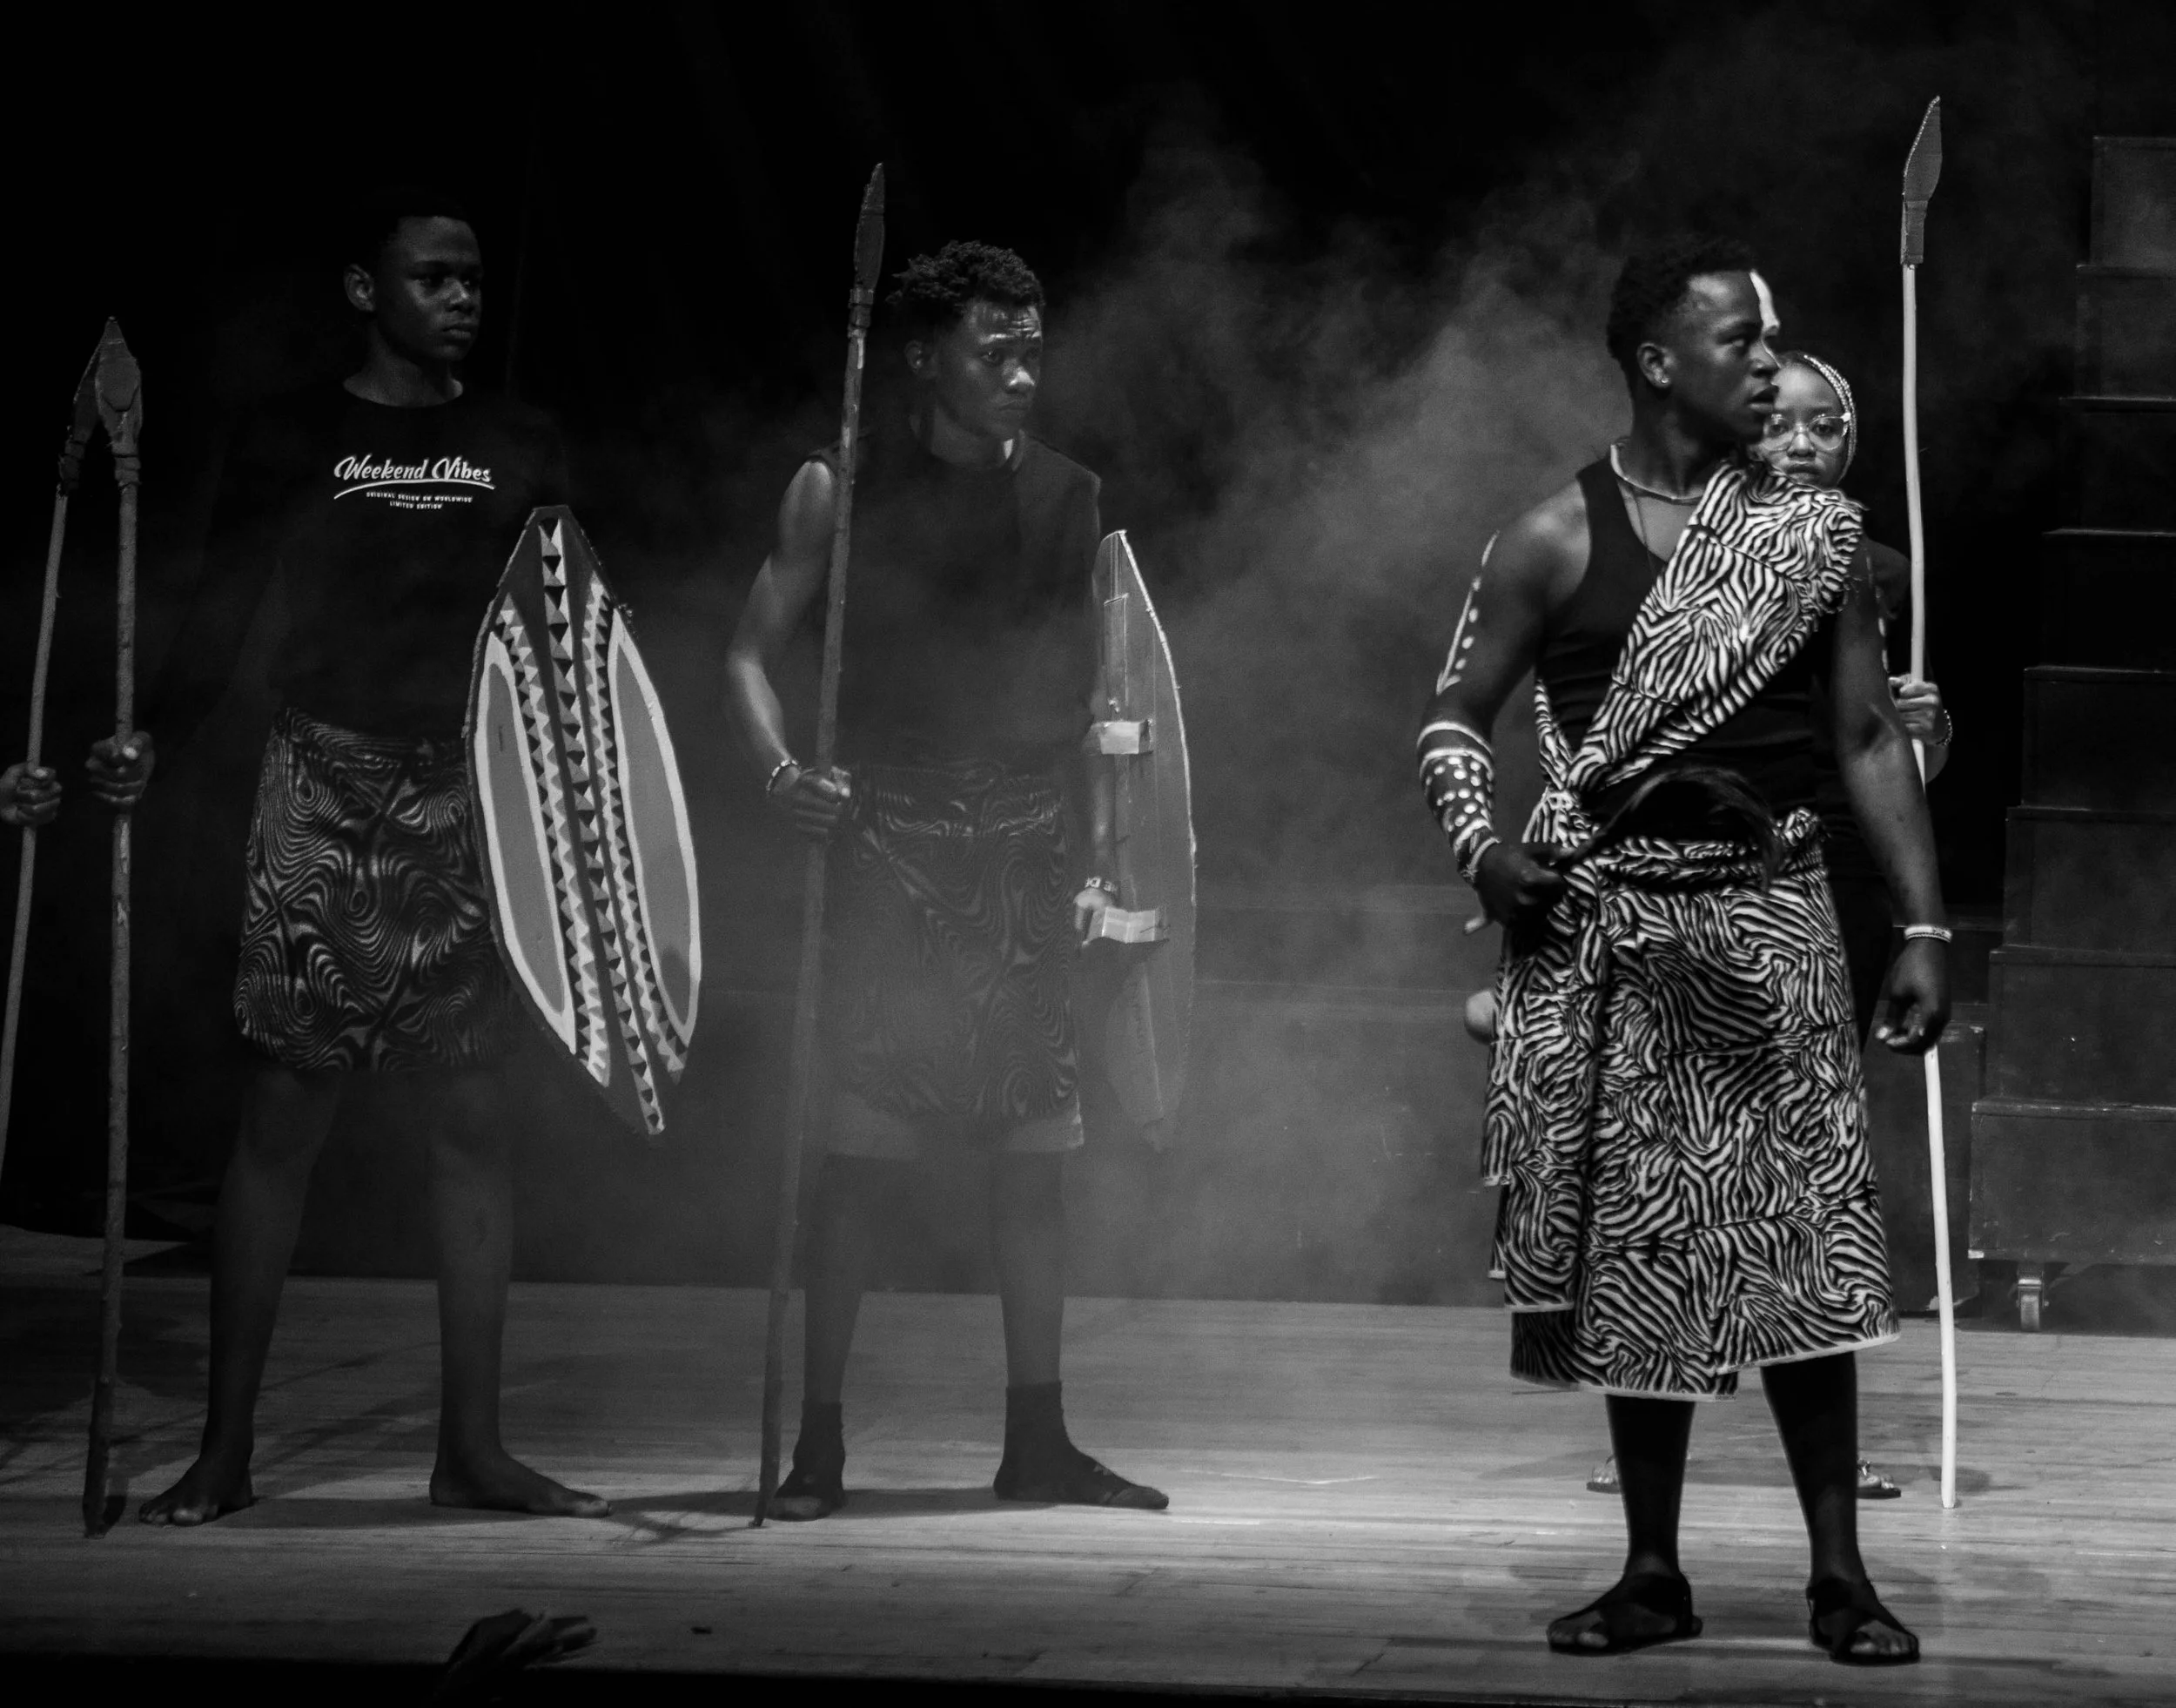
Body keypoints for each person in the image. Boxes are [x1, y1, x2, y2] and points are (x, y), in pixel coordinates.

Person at [1415, 235, 1947, 1664]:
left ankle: (1842, 1573)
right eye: (1741, 342)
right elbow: (1452, 717)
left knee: (1809, 1259)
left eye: (1772, 341)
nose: (1770, 363)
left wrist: (1926, 922)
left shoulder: (1815, 537)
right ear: (1660, 361)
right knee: (1636, 1262)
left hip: (1771, 921)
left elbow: (1864, 736)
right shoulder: (1552, 534)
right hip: (1616, 932)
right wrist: (1487, 851)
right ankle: (1653, 1570)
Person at [128, 187, 607, 1525]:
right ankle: (224, 1450)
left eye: (471, 278)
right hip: (323, 786)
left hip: (461, 795)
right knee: (285, 1113)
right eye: (433, 278)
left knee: (471, 1121)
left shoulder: (518, 441)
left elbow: (564, 635)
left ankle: (472, 1450)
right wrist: (145, 735)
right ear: (366, 291)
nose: (462, 298)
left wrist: (577, 809)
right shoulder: (296, 436)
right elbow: (219, 610)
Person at [723, 240, 1166, 1521]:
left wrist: (1100, 865)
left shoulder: (1074, 495)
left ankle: (1038, 1440)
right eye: (996, 352)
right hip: (892, 829)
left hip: (1024, 835)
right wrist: (780, 775)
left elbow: (1097, 707)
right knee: (857, 1154)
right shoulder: (840, 488)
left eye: (1035, 349)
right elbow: (749, 655)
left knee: (1035, 1155)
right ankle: (818, 1447)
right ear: (924, 357)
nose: (1025, 374)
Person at [1583, 348, 1955, 1503]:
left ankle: (1825, 1441)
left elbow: (1873, 747)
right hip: (1680, 876)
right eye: (1782, 425)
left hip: (1822, 870)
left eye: (1828, 428)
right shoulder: (1675, 550)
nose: (1803, 445)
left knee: (1799, 1166)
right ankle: (1655, 1403)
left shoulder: (1871, 563)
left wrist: (1922, 742)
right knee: (1666, 1157)